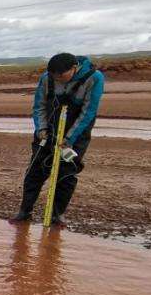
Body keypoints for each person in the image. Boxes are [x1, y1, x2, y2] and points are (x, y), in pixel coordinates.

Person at [9, 53, 105, 227]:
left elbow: (88, 112)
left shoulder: (94, 78)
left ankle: (57, 215)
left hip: (77, 133)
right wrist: (41, 129)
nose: (57, 79)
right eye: (54, 76)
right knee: (35, 170)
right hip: (48, 131)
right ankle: (24, 211)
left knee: (66, 173)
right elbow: (39, 106)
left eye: (60, 75)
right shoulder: (47, 78)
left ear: (74, 68)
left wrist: (69, 138)